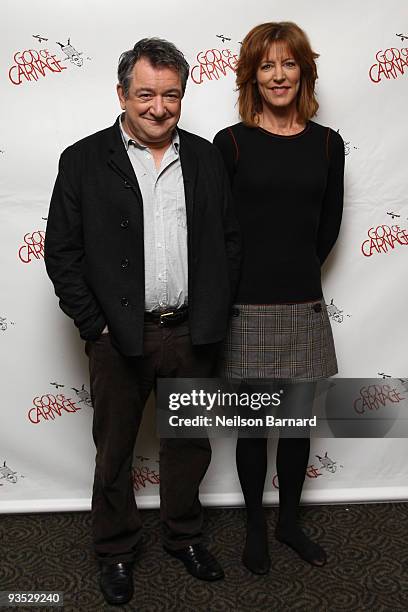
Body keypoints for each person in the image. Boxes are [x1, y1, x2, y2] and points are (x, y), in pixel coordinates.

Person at [45, 38, 241, 605]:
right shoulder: (82, 159)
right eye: (146, 94)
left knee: (189, 444)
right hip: (118, 337)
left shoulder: (205, 158)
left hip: (191, 332)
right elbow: (62, 252)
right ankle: (115, 551)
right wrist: (95, 325)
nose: (159, 107)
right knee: (114, 451)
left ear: (183, 96)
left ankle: (184, 537)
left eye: (171, 95)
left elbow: (228, 242)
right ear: (123, 94)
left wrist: (214, 313)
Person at [214, 22, 344, 574]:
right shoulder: (232, 142)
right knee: (253, 427)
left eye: (287, 63)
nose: (278, 75)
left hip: (303, 304)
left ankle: (289, 522)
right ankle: (253, 527)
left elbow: (328, 226)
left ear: (303, 71)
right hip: (246, 308)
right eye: (266, 65)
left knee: (295, 426)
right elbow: (219, 231)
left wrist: (294, 273)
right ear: (252, 76)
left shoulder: (327, 143)